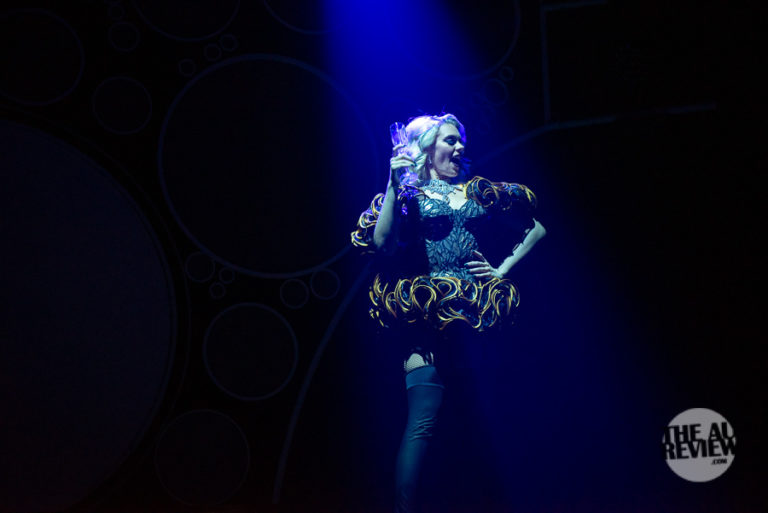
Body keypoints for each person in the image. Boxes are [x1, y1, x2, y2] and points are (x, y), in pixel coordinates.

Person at [351, 113, 546, 513]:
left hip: (476, 318)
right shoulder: (408, 196)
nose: (460, 147)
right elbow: (383, 244)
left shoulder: (475, 193)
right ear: (427, 148)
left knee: (486, 422)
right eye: (450, 140)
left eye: (461, 141)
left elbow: (536, 228)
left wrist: (502, 269)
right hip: (427, 316)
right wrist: (393, 182)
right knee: (423, 423)